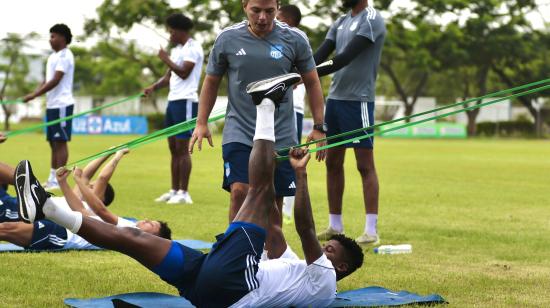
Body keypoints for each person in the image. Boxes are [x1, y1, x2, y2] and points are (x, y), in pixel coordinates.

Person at [16, 75, 363, 307]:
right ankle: (47, 208)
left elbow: (303, 228)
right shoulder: (294, 269)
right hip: (208, 282)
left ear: (342, 266)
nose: (322, 247)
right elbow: (273, 223)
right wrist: (270, 171)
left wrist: (299, 179)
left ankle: (266, 103)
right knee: (131, 238)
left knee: (258, 191)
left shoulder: (325, 282)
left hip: (233, 287)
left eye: (329, 249)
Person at [189, 0, 328, 253]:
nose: (263, 17)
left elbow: (313, 82)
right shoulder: (227, 38)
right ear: (244, 6)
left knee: (272, 204)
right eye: (256, 10)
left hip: (281, 134)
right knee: (239, 191)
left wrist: (319, 126)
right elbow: (211, 82)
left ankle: (272, 260)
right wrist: (201, 122)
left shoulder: (295, 39)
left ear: (278, 7)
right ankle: (235, 255)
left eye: (269, 11)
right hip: (240, 130)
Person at [313, 0, 386, 245]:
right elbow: (322, 53)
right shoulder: (340, 22)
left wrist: (307, 75)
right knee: (332, 163)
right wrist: (297, 69)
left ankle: (371, 230)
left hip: (359, 102)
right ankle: (335, 225)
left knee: (364, 165)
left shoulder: (371, 19)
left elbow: (343, 58)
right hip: (334, 100)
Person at [1, 163, 171, 251]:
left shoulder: (133, 233)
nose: (147, 220)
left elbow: (101, 206)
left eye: (152, 225)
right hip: (61, 223)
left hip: (62, 234)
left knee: (7, 229)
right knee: (6, 228)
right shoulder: (130, 223)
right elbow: (82, 212)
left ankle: (35, 196)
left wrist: (116, 154)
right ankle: (36, 196)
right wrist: (63, 181)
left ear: (154, 237)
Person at [144, 13, 204, 205]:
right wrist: (153, 87)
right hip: (173, 101)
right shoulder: (179, 49)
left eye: (171, 31)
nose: (169, 35)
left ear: (180, 31)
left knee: (182, 148)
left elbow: (184, 73)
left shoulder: (193, 48)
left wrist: (165, 58)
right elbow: (170, 77)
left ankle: (184, 193)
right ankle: (174, 190)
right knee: (173, 148)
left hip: (186, 101)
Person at [23, 24, 76, 191]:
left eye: (53, 36)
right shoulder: (53, 57)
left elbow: (56, 80)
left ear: (62, 38)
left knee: (60, 141)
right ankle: (52, 178)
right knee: (53, 142)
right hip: (53, 105)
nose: (50, 40)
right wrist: (35, 92)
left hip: (62, 104)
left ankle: (60, 180)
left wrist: (35, 95)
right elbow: (47, 80)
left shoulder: (65, 56)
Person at [276, 4, 307, 224]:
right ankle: (280, 208)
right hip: (277, 109)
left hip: (292, 109)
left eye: (277, 16)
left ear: (286, 19)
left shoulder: (297, 38)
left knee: (289, 158)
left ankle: (287, 210)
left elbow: (303, 75)